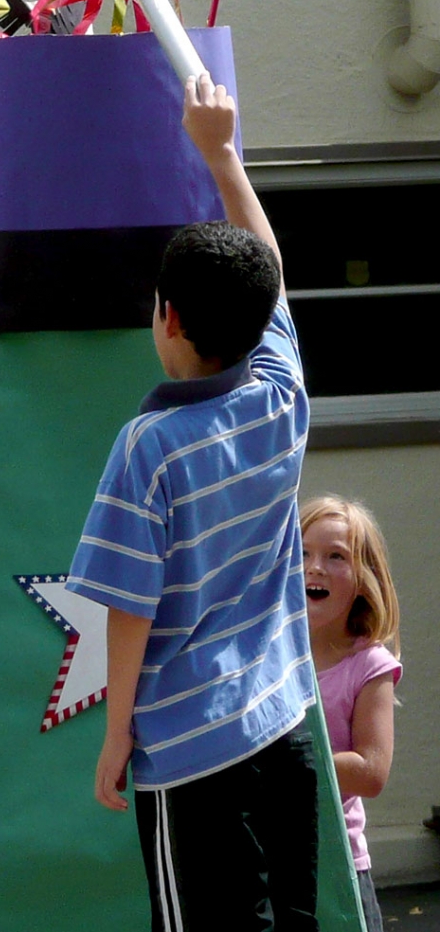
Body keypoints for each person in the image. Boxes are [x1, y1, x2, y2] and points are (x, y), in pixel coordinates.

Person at [67, 71, 317, 930]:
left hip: (191, 749)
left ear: (167, 317)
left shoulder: (151, 445)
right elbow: (270, 276)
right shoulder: (283, 393)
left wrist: (116, 733)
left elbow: (131, 607)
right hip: (283, 724)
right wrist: (222, 155)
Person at [300, 494, 402, 932]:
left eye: (335, 556)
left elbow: (372, 771)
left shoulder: (369, 666)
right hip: (265, 857)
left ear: (364, 579)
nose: (315, 566)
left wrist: (287, 763)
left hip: (336, 862)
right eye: (301, 554)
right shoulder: (266, 656)